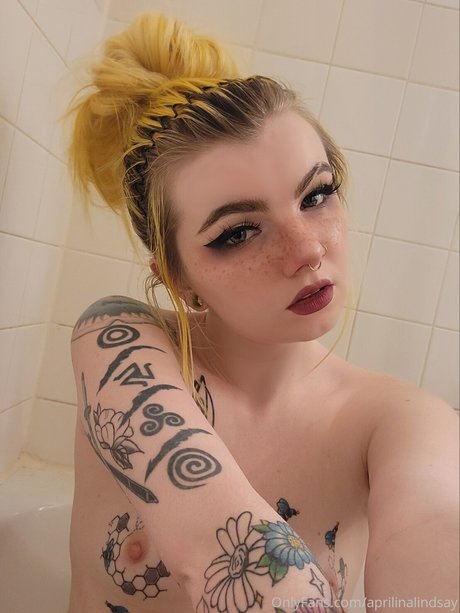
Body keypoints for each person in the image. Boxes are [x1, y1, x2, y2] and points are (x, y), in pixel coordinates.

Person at [67, 13, 459, 613]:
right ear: (176, 277)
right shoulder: (119, 341)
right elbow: (222, 547)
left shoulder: (399, 421)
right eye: (239, 232)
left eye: (317, 195)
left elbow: (432, 527)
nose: (307, 251)